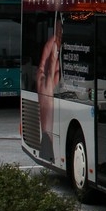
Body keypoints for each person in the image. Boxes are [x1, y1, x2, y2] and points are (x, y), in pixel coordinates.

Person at [36, 17, 62, 161]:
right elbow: (45, 65)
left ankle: (48, 138)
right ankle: (47, 137)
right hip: (49, 88)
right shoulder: (51, 44)